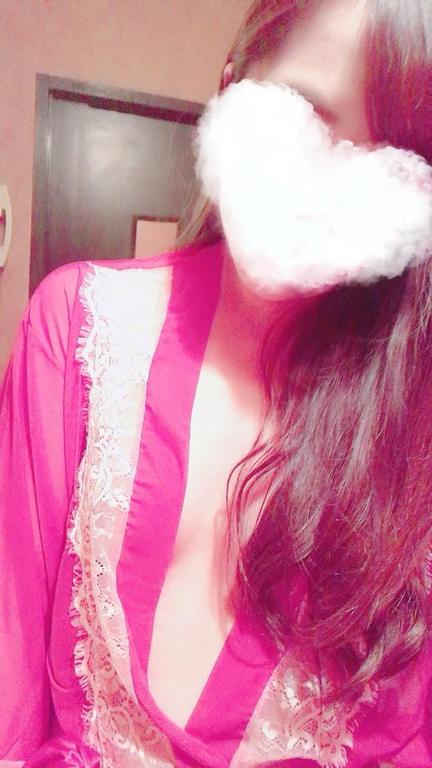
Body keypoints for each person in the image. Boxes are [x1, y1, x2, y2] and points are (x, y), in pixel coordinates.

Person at [1, 0, 431, 766]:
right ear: (231, 85)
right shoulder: (78, 330)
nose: (331, 190)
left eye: (388, 162)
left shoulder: (413, 449)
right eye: (306, 113)